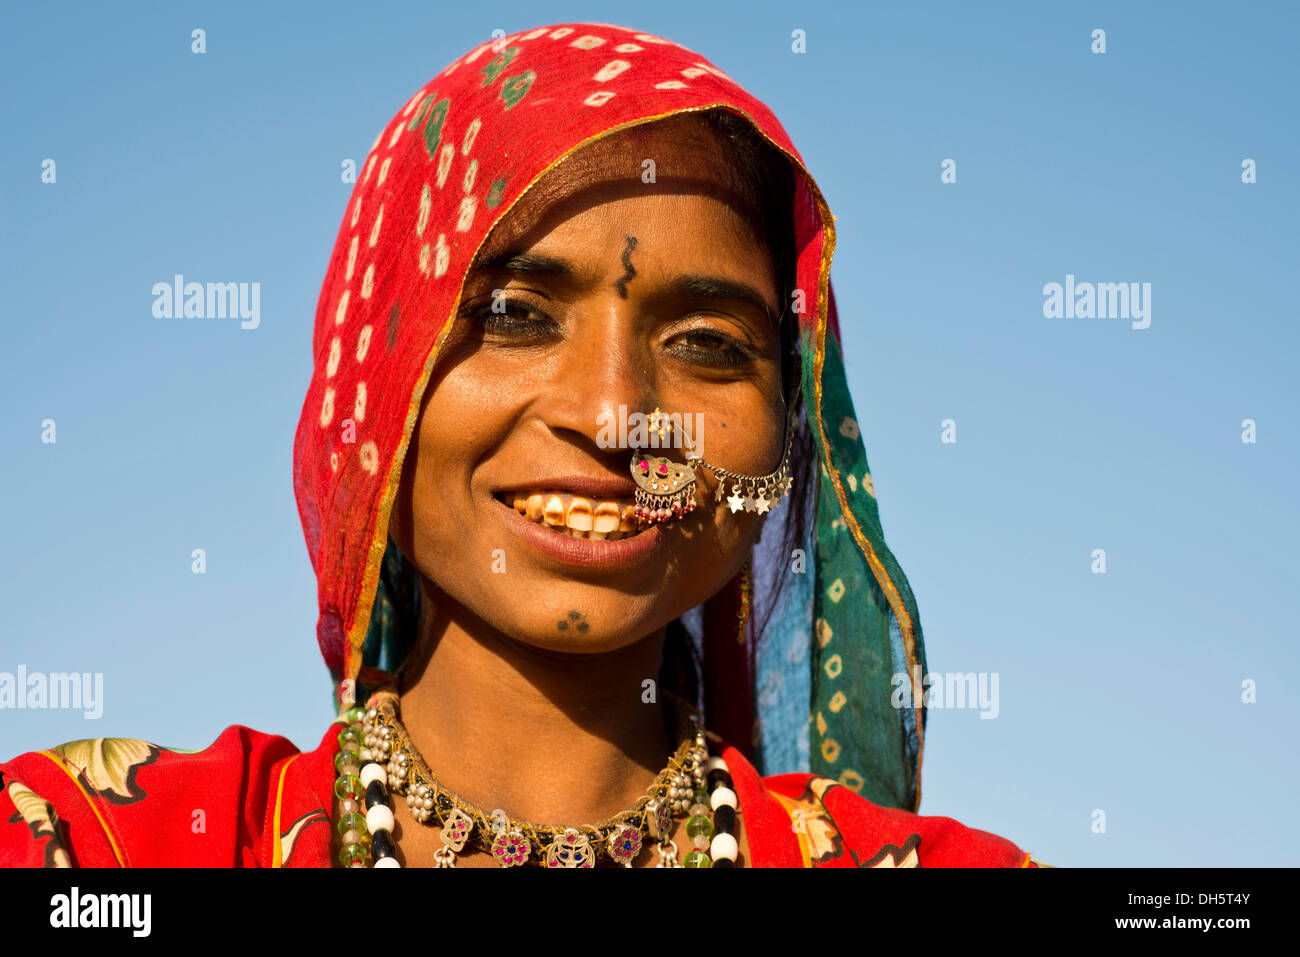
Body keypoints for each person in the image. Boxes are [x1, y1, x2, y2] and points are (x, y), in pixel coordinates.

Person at [0, 21, 1045, 868]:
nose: (613, 413)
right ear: (377, 376)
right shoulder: (98, 848)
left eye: (706, 343)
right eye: (514, 315)